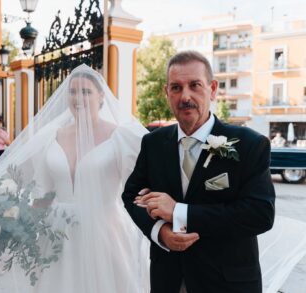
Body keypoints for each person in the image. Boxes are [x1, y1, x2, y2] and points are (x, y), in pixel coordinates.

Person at [0, 65, 150, 293]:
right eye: (73, 91)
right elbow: (42, 191)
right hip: (58, 234)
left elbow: (140, 188)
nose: (78, 98)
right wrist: (12, 216)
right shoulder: (52, 135)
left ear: (101, 96)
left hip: (105, 232)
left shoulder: (121, 137)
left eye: (86, 91)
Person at [123, 51, 306, 293]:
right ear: (166, 92)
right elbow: (131, 196)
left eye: (194, 85)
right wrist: (160, 232)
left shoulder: (250, 144)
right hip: (167, 279)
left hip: (226, 283)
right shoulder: (153, 143)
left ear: (212, 89)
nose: (185, 96)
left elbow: (259, 214)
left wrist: (179, 212)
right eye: (176, 88)